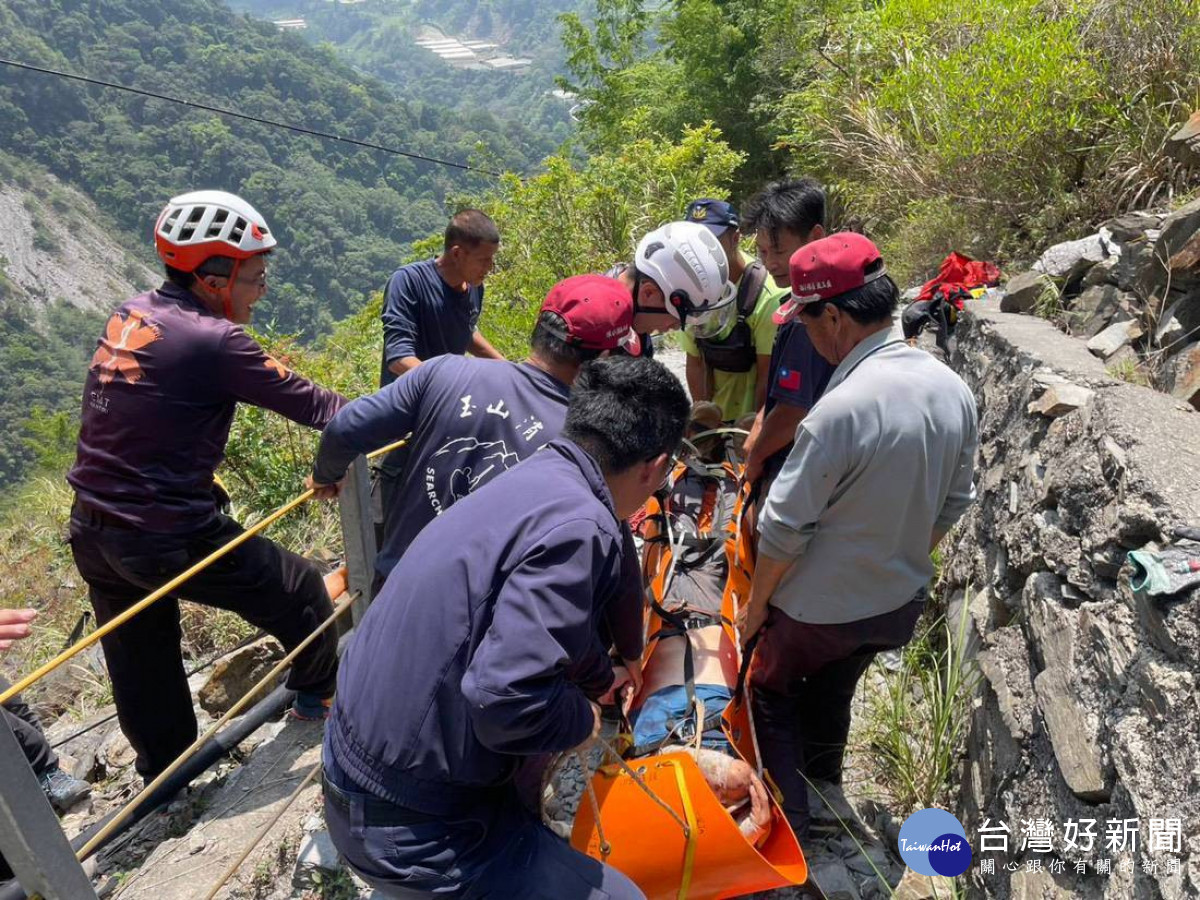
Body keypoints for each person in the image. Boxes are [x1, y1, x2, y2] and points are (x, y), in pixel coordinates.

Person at [322, 356, 690, 900]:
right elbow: (504, 700)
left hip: (354, 771)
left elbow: (546, 629)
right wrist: (582, 719)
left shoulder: (535, 476)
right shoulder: (583, 525)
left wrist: (598, 674)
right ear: (655, 467)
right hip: (408, 828)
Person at [67, 190, 346, 780]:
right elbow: (322, 408)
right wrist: (414, 412)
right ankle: (317, 699)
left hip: (92, 530)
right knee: (302, 591)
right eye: (256, 276)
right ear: (215, 279)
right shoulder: (216, 340)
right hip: (166, 531)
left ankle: (165, 775)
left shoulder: (131, 313)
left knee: (141, 656)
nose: (262, 289)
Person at [738, 233, 979, 838]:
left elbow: (784, 525)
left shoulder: (840, 409)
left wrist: (757, 607)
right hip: (897, 603)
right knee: (837, 680)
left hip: (819, 612)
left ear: (835, 318)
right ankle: (826, 785)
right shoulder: (952, 389)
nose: (807, 333)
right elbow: (955, 501)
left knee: (770, 687)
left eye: (807, 320)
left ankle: (790, 829)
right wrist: (897, 555)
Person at [309, 275, 642, 588]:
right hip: (481, 615)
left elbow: (345, 427)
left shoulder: (443, 371)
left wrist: (327, 475)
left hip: (395, 589)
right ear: (602, 359)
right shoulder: (584, 443)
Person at [739, 179, 837, 486]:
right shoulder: (838, 294)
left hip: (803, 469)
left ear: (815, 237)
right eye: (762, 251)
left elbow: (794, 409)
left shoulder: (807, 316)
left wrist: (755, 458)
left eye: (779, 250)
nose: (770, 263)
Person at [680, 199, 788, 422]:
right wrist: (704, 422)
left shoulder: (766, 295)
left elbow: (766, 374)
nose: (701, 252)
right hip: (714, 417)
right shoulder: (688, 290)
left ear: (735, 238)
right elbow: (695, 361)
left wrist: (750, 429)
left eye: (711, 242)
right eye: (694, 243)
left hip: (749, 419)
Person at [379, 209, 505, 387]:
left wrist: (509, 369)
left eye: (492, 258)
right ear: (457, 254)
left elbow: (465, 331)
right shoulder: (409, 281)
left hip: (443, 398)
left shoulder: (474, 288)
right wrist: (449, 388)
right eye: (483, 259)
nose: (490, 267)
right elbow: (399, 359)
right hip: (406, 400)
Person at [605, 220, 738, 357]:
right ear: (648, 293)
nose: (675, 327)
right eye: (678, 319)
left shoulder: (636, 323)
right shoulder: (595, 338)